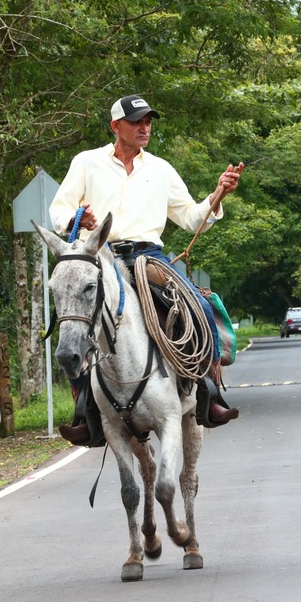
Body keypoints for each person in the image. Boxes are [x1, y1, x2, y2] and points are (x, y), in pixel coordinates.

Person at [49, 94, 241, 444]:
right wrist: (78, 218)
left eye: (148, 121)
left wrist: (218, 193)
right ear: (115, 126)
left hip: (149, 259)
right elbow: (58, 210)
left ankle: (207, 392)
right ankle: (85, 409)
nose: (144, 127)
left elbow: (192, 218)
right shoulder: (86, 163)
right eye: (137, 121)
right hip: (100, 256)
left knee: (201, 307)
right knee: (75, 317)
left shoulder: (161, 168)